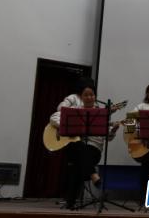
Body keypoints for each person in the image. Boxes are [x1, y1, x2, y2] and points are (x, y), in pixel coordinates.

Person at [49, 78, 119, 210]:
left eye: (91, 95)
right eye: (86, 95)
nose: (89, 97)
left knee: (78, 162)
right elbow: (53, 117)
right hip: (77, 147)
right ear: (81, 97)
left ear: (95, 97)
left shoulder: (100, 114)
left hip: (94, 150)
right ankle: (93, 175)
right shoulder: (75, 111)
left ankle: (70, 202)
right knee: (77, 145)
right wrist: (66, 126)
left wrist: (113, 130)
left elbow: (108, 137)